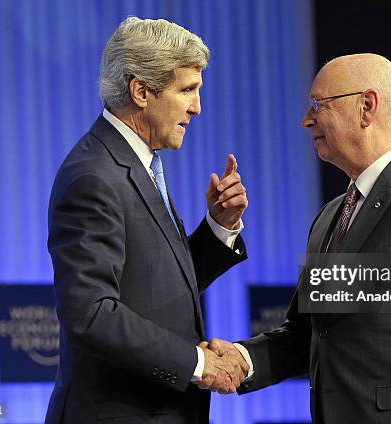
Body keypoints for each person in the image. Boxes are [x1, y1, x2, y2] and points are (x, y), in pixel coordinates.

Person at [203, 54, 391, 423]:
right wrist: (242, 360)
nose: (306, 119)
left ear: (366, 107)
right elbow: (307, 334)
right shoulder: (329, 217)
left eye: (318, 105)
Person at [45, 17, 249, 424]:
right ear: (141, 91)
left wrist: (218, 227)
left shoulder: (137, 164)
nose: (197, 107)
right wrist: (197, 363)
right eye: (187, 90)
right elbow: (91, 313)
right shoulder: (94, 175)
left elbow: (155, 288)